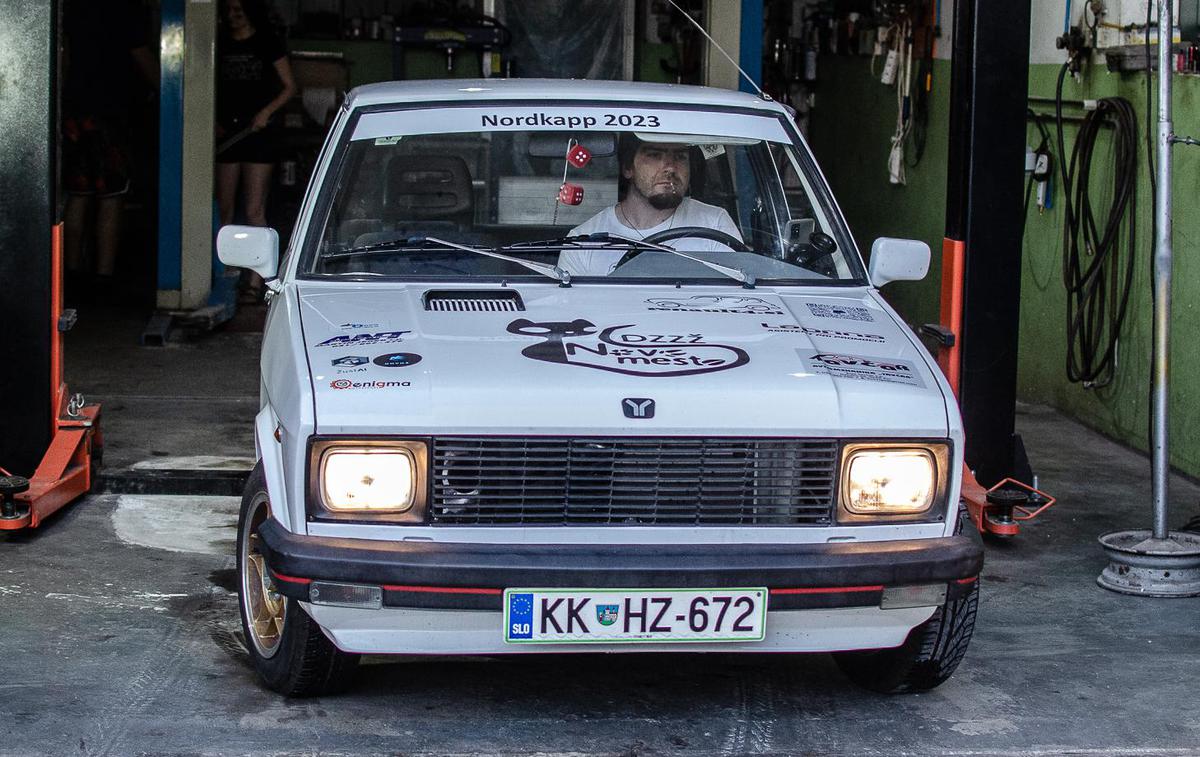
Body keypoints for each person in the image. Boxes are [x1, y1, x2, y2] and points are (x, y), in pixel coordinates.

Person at [62, 0, 157, 284]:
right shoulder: (126, 9)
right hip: (111, 113)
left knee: (77, 194)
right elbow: (142, 56)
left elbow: (64, 58)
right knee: (111, 196)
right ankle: (104, 278)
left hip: (76, 111)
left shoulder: (73, 8)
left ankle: (71, 274)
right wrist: (172, 91)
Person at [557, 135, 743, 277]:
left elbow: (740, 303)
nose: (670, 167)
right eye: (654, 155)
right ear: (628, 168)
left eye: (680, 157)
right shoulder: (583, 242)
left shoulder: (715, 224)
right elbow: (575, 316)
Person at [215, 0, 296, 302]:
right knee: (224, 210)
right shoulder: (220, 43)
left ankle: (255, 279)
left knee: (253, 210)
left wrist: (266, 113)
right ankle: (225, 275)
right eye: (229, 11)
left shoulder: (266, 42)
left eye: (239, 10)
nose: (233, 16)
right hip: (228, 134)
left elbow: (290, 87)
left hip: (258, 133)